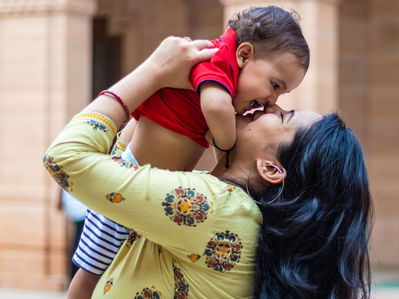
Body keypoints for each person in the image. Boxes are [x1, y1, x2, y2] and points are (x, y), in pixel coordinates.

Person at [44, 36, 372, 298]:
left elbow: (64, 159)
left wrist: (153, 72)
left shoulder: (209, 207)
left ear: (272, 169)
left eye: (283, 116)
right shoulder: (230, 209)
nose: (270, 105)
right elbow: (122, 159)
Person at [70, 5, 310, 297]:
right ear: (244, 54)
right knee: (92, 268)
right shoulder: (215, 68)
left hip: (141, 175)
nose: (271, 101)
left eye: (281, 96)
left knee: (105, 264)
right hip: (130, 174)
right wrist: (227, 142)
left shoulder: (220, 73)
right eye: (274, 85)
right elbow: (214, 107)